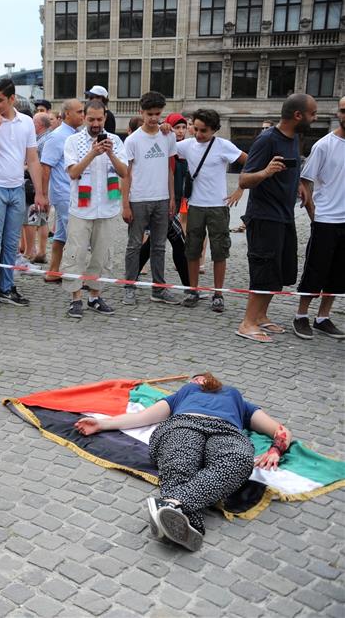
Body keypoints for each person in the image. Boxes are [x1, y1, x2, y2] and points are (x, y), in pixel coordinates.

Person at [75, 373, 292, 551]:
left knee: (239, 460)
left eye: (199, 378)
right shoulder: (183, 393)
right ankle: (187, 523)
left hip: (226, 431)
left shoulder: (236, 398)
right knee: (180, 462)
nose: (196, 380)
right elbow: (144, 418)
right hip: (183, 424)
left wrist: (276, 450)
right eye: (194, 379)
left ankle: (172, 504)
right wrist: (102, 424)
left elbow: (279, 430)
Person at [236, 93, 317, 342]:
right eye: (312, 114)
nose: (314, 118)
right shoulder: (267, 139)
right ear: (297, 115)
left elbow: (290, 169)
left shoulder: (294, 138)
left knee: (279, 271)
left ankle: (261, 316)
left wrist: (298, 187)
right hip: (264, 216)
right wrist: (266, 171)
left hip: (284, 215)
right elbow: (244, 180)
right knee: (263, 269)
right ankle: (247, 322)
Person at [0, 78, 44, 310]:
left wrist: (40, 193)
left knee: (12, 242)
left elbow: (33, 159)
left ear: (12, 99)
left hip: (17, 187)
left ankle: (7, 286)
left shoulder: (25, 122)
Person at [61, 100, 129, 318]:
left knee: (102, 256)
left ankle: (95, 296)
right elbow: (73, 173)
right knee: (75, 255)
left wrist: (109, 154)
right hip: (81, 209)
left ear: (105, 117)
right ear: (84, 118)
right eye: (91, 119)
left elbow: (124, 172)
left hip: (108, 207)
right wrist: (92, 153)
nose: (96, 124)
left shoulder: (116, 141)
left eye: (100, 119)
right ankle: (75, 299)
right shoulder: (73, 141)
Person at [175, 109, 247, 312]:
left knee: (219, 251)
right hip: (195, 206)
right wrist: (164, 129)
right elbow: (165, 146)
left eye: (203, 131)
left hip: (218, 206)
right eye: (195, 129)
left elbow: (249, 161)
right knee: (192, 250)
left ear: (214, 129)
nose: (198, 134)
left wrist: (240, 188)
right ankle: (193, 290)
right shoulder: (187, 145)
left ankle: (218, 294)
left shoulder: (224, 146)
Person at [292, 96, 345, 340]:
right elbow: (306, 182)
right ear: (338, 113)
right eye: (344, 110)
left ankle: (322, 317)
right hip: (325, 219)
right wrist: (315, 215)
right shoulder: (324, 145)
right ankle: (301, 315)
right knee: (315, 270)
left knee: (339, 273)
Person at [121, 91, 180, 306]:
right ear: (141, 112)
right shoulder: (133, 140)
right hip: (139, 199)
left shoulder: (168, 136)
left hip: (162, 198)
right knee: (134, 245)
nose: (154, 118)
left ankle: (159, 288)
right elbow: (126, 174)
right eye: (149, 114)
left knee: (159, 246)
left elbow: (170, 169)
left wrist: (172, 197)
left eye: (157, 113)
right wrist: (125, 203)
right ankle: (129, 286)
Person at [137, 113, 190, 292]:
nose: (180, 131)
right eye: (177, 127)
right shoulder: (165, 143)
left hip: (172, 203)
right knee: (178, 243)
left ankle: (130, 278)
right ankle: (190, 287)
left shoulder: (183, 150)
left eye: (184, 127)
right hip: (163, 202)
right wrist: (163, 127)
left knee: (153, 243)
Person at [40, 99, 85, 285]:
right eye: (80, 111)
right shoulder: (58, 136)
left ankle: (53, 271)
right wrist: (42, 195)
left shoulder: (75, 134)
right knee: (76, 235)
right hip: (64, 193)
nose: (83, 115)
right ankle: (76, 276)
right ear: (67, 114)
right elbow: (46, 166)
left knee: (60, 235)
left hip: (71, 192)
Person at [22, 111, 53, 265]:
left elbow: (40, 164)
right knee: (42, 219)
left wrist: (24, 167)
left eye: (33, 123)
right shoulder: (45, 138)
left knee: (30, 218)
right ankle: (41, 251)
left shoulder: (43, 141)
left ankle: (30, 251)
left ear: (39, 125)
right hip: (43, 185)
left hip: (37, 185)